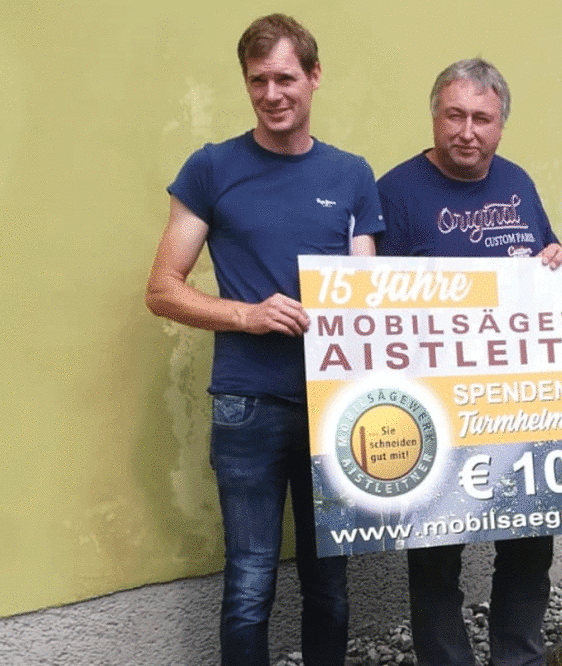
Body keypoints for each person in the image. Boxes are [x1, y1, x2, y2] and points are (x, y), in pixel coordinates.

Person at [144, 14, 384, 666]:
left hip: (335, 408)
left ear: (314, 76)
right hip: (247, 403)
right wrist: (246, 315)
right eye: (258, 81)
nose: (272, 94)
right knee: (250, 583)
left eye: (285, 78)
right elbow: (162, 288)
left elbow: (365, 291)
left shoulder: (351, 175)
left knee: (330, 584)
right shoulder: (211, 168)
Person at [376, 58, 562, 666]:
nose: (466, 131)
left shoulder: (517, 183)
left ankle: (519, 658)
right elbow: (366, 305)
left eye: (481, 118)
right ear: (434, 117)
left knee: (529, 545)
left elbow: (543, 265)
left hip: (517, 405)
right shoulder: (394, 192)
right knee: (435, 553)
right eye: (454, 115)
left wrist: (556, 260)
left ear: (501, 125)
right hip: (434, 408)